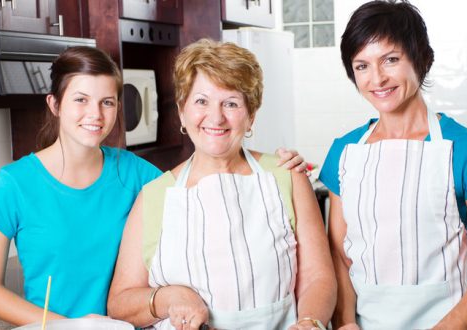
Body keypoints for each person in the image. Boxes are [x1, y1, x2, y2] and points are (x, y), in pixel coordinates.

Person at [0, 46, 307, 326]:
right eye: (81, 100)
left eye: (108, 102)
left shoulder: (137, 175)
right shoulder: (14, 183)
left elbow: (204, 181)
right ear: (55, 105)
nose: (96, 114)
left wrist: (279, 165)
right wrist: (68, 326)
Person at [107, 38, 337, 330]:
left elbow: (319, 276)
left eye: (231, 103)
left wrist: (309, 322)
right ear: (182, 111)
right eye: (201, 101)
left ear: (251, 115)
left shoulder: (287, 176)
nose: (216, 118)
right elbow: (120, 303)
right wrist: (166, 299)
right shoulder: (155, 196)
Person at [319, 1, 467, 329]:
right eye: (362, 66)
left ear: (422, 58)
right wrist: (344, 323)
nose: (377, 78)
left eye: (391, 60)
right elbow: (339, 256)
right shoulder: (345, 151)